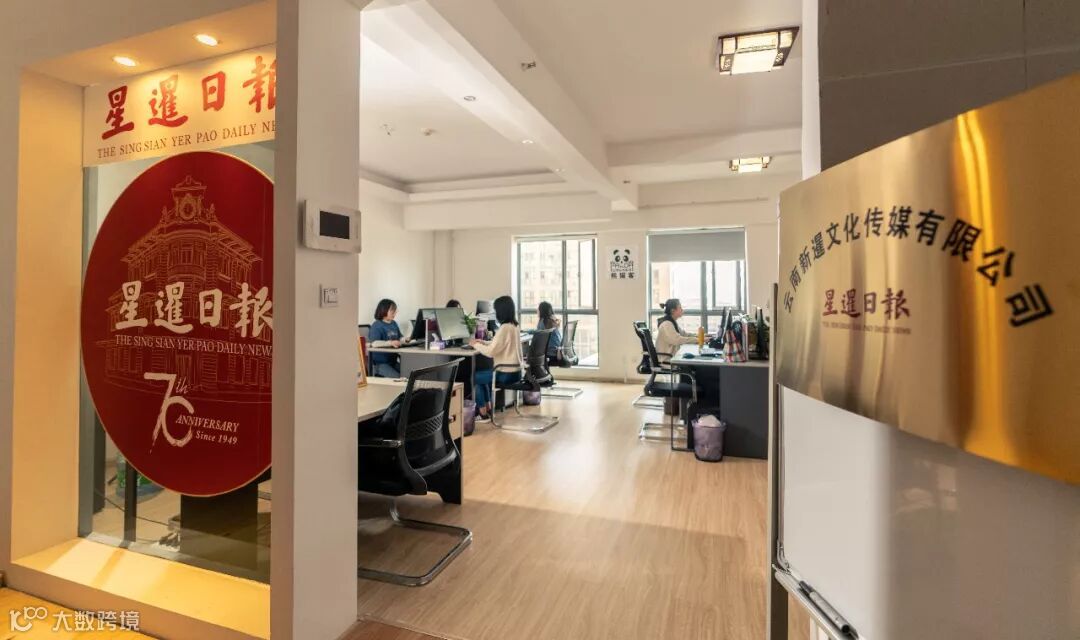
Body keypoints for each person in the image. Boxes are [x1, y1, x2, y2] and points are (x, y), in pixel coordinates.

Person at [469, 295, 523, 420]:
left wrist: (475, 344)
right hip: (516, 373)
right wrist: (483, 342)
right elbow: (499, 343)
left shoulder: (504, 328)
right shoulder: (514, 325)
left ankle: (483, 412)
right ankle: (487, 408)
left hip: (505, 374)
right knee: (482, 376)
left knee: (474, 377)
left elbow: (491, 352)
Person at [369, 298, 404, 378]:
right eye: (392, 310)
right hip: (380, 364)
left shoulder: (393, 323)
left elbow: (400, 337)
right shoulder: (377, 325)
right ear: (384, 310)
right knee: (398, 378)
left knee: (408, 375)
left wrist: (406, 339)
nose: (394, 312)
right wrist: (390, 343)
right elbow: (374, 343)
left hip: (392, 361)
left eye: (395, 310)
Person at [655, 298, 697, 364]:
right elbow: (677, 340)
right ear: (673, 311)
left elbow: (684, 334)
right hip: (667, 360)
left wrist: (701, 336)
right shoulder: (667, 324)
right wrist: (698, 340)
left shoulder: (671, 322)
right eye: (680, 307)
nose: (682, 310)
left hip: (673, 357)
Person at [536, 301, 563, 365]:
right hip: (558, 353)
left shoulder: (543, 322)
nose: (537, 311)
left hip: (550, 355)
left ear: (541, 311)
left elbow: (538, 337)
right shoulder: (553, 320)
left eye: (538, 309)